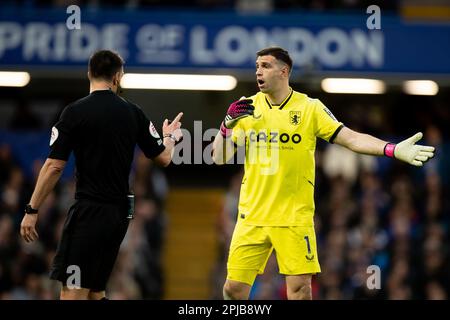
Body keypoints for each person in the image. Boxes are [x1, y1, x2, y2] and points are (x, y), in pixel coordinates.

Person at [212, 47, 435, 300]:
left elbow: (350, 138)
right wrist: (225, 126)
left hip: (294, 217)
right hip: (252, 215)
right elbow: (219, 158)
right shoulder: (246, 108)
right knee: (233, 289)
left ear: (283, 71)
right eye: (256, 67)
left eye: (265, 66)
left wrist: (390, 149)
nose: (258, 72)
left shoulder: (310, 108)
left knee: (300, 290)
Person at [19, 50, 183, 300]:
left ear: (89, 74)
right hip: (120, 215)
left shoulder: (74, 112)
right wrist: (170, 136)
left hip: (90, 213)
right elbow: (164, 157)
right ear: (117, 77)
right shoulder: (133, 112)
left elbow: (54, 166)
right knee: (95, 291)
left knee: (73, 293)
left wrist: (32, 210)